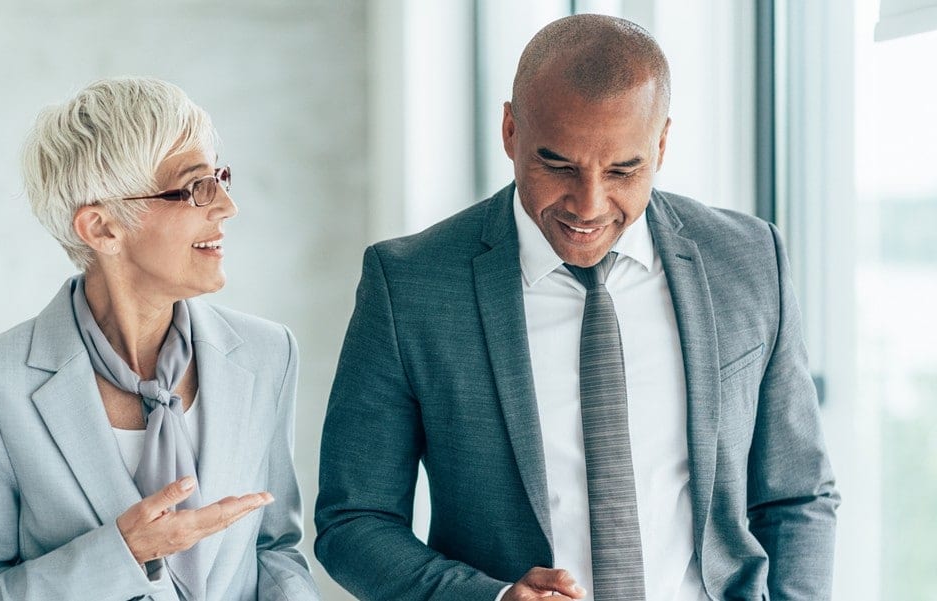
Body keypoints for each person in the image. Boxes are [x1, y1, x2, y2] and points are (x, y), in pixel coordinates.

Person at [314, 14, 838, 601]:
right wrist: (486, 597)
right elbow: (353, 521)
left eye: (623, 170)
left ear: (661, 144)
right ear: (511, 130)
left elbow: (797, 496)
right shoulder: (409, 285)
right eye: (558, 164)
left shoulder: (748, 259)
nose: (588, 206)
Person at [0, 76, 320, 601]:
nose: (227, 206)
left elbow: (274, 549)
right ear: (102, 229)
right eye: (195, 187)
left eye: (221, 177)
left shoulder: (267, 353)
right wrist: (123, 552)